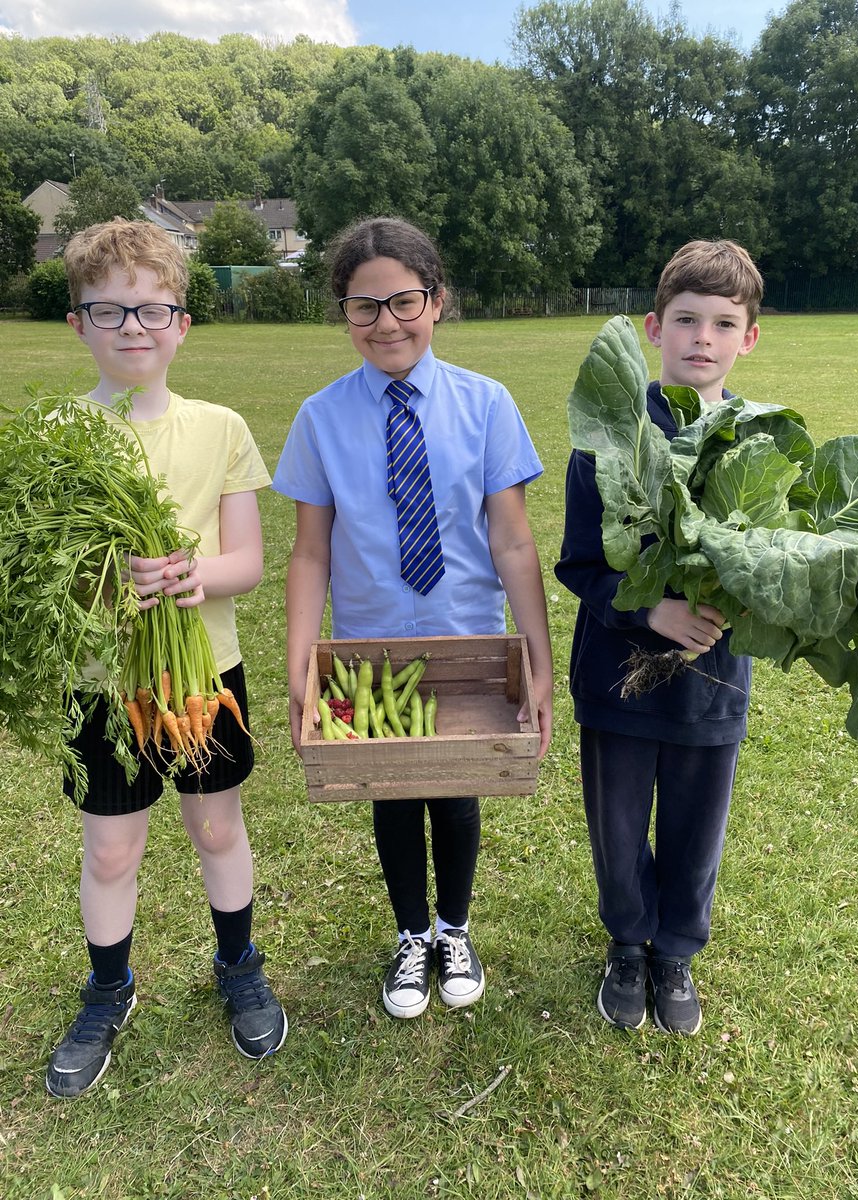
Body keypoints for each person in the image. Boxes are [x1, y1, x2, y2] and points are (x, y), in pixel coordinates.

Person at [273, 216, 553, 1019]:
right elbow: (310, 557)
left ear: (438, 302)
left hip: (468, 640)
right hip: (372, 645)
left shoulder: (487, 404)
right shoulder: (320, 418)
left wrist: (536, 661)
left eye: (404, 301)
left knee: (458, 792)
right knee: (389, 793)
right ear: (344, 316)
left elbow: (514, 542)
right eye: (365, 308)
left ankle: (454, 928)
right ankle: (409, 935)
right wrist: (299, 674)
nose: (386, 323)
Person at [45, 218, 286, 1099]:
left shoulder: (219, 427)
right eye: (110, 313)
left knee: (217, 826)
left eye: (153, 311)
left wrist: (191, 574)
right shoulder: (62, 438)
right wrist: (107, 585)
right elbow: (51, 577)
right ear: (78, 325)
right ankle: (109, 987)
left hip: (201, 676)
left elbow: (249, 564)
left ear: (184, 322)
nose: (134, 329)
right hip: (105, 684)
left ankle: (240, 964)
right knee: (111, 850)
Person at [555, 239, 762, 1035]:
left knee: (696, 824)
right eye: (684, 320)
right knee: (615, 826)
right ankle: (628, 942)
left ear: (748, 337)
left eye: (721, 322)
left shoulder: (760, 443)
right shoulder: (608, 435)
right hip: (618, 671)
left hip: (715, 676)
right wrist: (652, 613)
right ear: (653, 327)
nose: (700, 338)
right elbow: (579, 564)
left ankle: (675, 950)